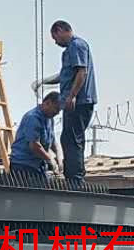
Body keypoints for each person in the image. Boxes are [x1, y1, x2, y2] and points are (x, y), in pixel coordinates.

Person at [32, 20, 97, 184]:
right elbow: (65, 75)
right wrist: (43, 81)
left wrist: (72, 96)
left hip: (78, 102)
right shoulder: (69, 51)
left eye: (55, 38)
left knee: (71, 138)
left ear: (60, 30)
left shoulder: (77, 45)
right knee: (69, 137)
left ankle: (75, 179)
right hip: (74, 101)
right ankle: (74, 176)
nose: (56, 42)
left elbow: (81, 72)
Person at [8, 92, 62, 180]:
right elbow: (34, 145)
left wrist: (59, 157)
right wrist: (50, 159)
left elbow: (52, 141)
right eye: (56, 109)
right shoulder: (32, 118)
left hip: (37, 165)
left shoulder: (49, 119)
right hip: (23, 165)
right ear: (47, 103)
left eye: (59, 110)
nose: (57, 113)